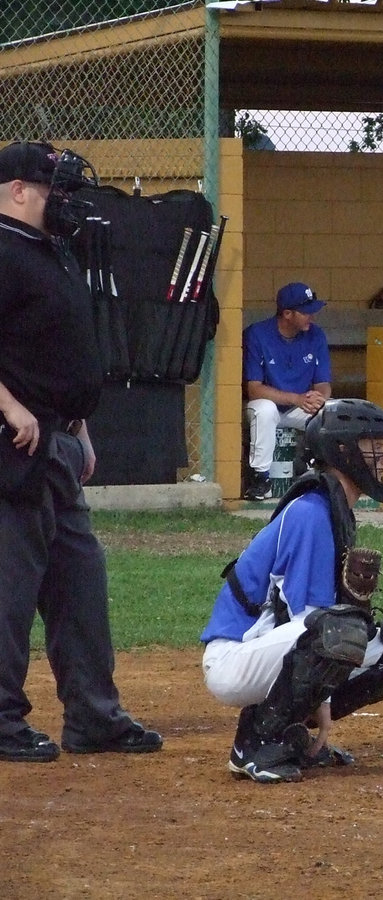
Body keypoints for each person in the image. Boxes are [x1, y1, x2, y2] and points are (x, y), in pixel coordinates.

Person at [0, 140, 162, 763]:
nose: (63, 205)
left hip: (62, 441)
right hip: (19, 444)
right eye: (52, 193)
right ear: (18, 191)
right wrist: (11, 407)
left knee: (80, 584)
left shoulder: (51, 253)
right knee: (11, 588)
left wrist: (82, 427)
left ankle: (94, 716)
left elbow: (64, 351)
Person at [201, 399, 383, 784]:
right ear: (341, 451)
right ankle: (255, 742)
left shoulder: (332, 506)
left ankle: (288, 734)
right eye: (372, 447)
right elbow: (309, 621)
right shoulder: (310, 512)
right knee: (340, 631)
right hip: (234, 657)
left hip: (273, 647)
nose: (381, 457)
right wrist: (322, 703)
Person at [242, 282, 333, 501]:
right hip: (266, 406)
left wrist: (319, 399)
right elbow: (254, 389)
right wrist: (297, 398)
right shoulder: (257, 334)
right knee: (264, 410)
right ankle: (260, 480)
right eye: (306, 312)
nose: (311, 316)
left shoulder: (316, 335)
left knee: (331, 411)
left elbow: (323, 383)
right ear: (287, 313)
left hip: (298, 408)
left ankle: (319, 476)